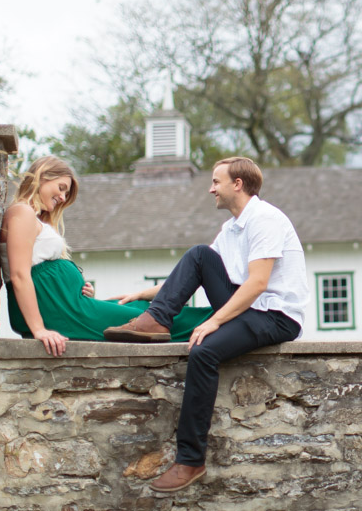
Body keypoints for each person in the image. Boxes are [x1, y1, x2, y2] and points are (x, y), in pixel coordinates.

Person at [102, 157, 307, 492]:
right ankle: (155, 319)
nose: (211, 188)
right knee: (199, 254)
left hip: (276, 315)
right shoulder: (231, 228)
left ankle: (190, 460)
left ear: (237, 184)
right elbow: (195, 272)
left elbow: (257, 284)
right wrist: (142, 294)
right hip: (247, 306)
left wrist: (214, 322)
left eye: (216, 182)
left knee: (203, 351)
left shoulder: (265, 219)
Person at [0, 156, 213, 356]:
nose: (63, 197)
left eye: (66, 193)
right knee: (149, 321)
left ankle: (219, 318)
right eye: (61, 188)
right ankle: (221, 321)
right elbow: (19, 275)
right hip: (59, 311)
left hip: (67, 307)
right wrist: (39, 330)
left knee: (139, 309)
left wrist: (76, 288)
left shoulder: (34, 218)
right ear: (43, 177)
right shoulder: (22, 212)